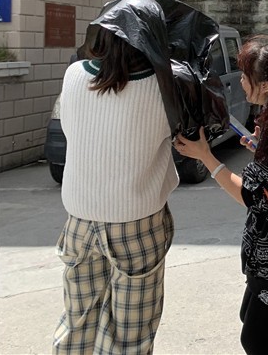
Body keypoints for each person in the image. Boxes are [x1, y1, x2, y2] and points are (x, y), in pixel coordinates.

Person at [175, 36, 268, 355]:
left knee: (254, 337)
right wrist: (261, 149)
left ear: (265, 84)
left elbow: (251, 196)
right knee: (255, 324)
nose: (240, 82)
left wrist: (205, 156)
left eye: (245, 76)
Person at [54, 22, 178, 354]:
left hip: (79, 220)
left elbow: (70, 129)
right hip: (137, 223)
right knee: (129, 336)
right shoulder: (165, 85)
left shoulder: (74, 74)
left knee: (78, 323)